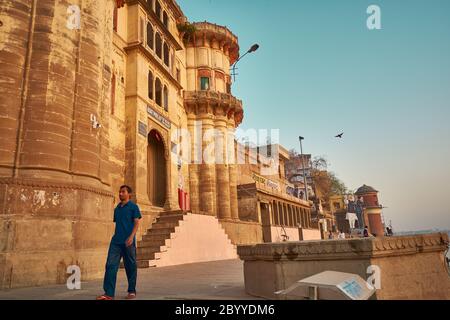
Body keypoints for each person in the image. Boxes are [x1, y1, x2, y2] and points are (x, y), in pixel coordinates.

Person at [97, 185, 142, 300]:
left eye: (123, 192)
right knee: (110, 265)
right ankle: (108, 293)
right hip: (116, 242)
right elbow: (119, 224)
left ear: (129, 194)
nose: (120, 194)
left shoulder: (133, 207)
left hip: (128, 242)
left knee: (130, 266)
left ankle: (132, 291)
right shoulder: (117, 209)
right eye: (120, 192)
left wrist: (131, 237)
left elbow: (136, 223)